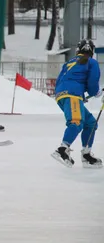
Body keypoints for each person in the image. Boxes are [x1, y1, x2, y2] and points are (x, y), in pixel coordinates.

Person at [51, 39, 102, 168]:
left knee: (90, 123)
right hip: (72, 95)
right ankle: (62, 150)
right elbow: (92, 82)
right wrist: (95, 92)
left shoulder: (70, 62)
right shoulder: (91, 62)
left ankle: (86, 154)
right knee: (77, 121)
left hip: (62, 95)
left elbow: (63, 79)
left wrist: (78, 95)